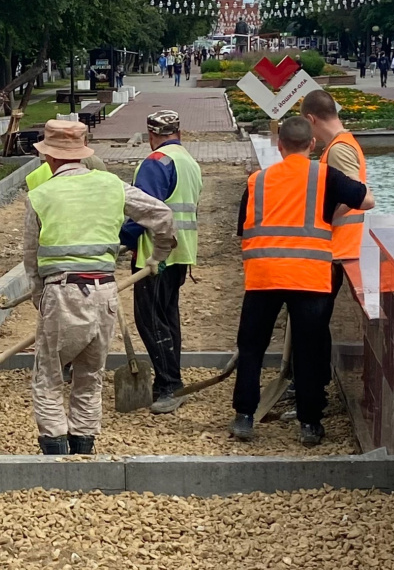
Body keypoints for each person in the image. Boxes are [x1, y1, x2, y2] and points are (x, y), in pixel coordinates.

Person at [23, 120, 175, 454]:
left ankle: (56, 453)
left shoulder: (40, 195)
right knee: (90, 378)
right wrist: (158, 256)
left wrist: (39, 298)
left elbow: (31, 259)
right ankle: (83, 449)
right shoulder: (112, 185)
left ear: (49, 156)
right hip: (105, 292)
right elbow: (162, 215)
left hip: (62, 292)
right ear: (82, 153)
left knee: (49, 378)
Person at [231, 117, 375, 445]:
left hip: (264, 276)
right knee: (309, 349)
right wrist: (329, 215)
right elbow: (367, 200)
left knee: (251, 347)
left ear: (279, 146)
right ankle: (310, 424)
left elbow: (243, 229)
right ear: (312, 144)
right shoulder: (325, 176)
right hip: (310, 277)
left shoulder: (257, 181)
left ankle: (244, 417)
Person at [120, 110, 203, 414]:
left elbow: (145, 210)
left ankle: (169, 385)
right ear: (178, 132)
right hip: (181, 251)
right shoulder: (189, 161)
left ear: (151, 135)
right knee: (167, 317)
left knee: (151, 320)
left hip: (155, 255)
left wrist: (122, 239)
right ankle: (169, 381)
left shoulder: (156, 162)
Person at [301, 90, 368, 389]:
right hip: (337, 249)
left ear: (311, 119)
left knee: (313, 325)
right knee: (314, 325)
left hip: (333, 250)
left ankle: (314, 386)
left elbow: (357, 195)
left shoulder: (339, 150)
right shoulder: (341, 145)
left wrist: (320, 218)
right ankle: (315, 383)